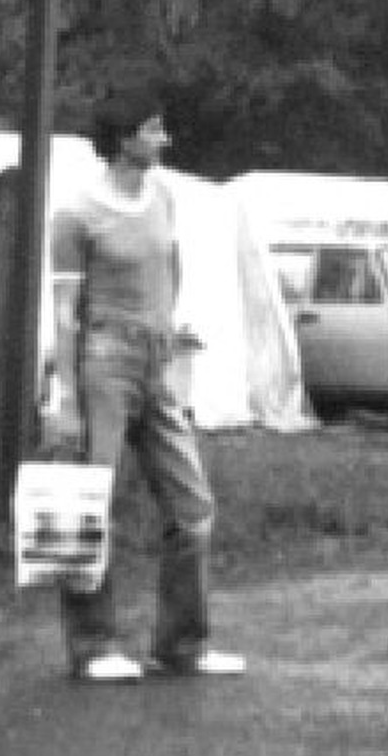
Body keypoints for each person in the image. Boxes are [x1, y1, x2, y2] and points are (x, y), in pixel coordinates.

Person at [43, 85, 245, 684]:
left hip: (156, 359)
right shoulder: (76, 214)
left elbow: (170, 269)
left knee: (193, 507)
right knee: (89, 505)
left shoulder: (163, 199)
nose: (165, 139)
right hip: (102, 359)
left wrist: (168, 338)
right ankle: (92, 645)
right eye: (154, 129)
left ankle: (181, 644)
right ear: (124, 137)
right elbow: (63, 310)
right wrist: (67, 399)